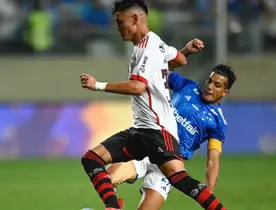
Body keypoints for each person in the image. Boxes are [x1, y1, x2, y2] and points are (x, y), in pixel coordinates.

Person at [79, 0, 227, 209]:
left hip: (157, 133)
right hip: (143, 132)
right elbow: (179, 60)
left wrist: (98, 85)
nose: (118, 28)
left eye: (120, 22)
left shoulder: (146, 49)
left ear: (135, 19)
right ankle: (113, 207)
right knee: (92, 159)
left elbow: (138, 87)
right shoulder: (156, 43)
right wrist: (186, 50)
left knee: (179, 178)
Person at [107, 62, 237, 210]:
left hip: (170, 166)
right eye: (209, 81)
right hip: (147, 146)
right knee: (107, 179)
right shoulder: (188, 86)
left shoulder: (218, 122)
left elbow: (213, 160)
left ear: (225, 92)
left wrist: (208, 194)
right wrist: (185, 53)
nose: (210, 86)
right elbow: (159, 69)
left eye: (217, 85)